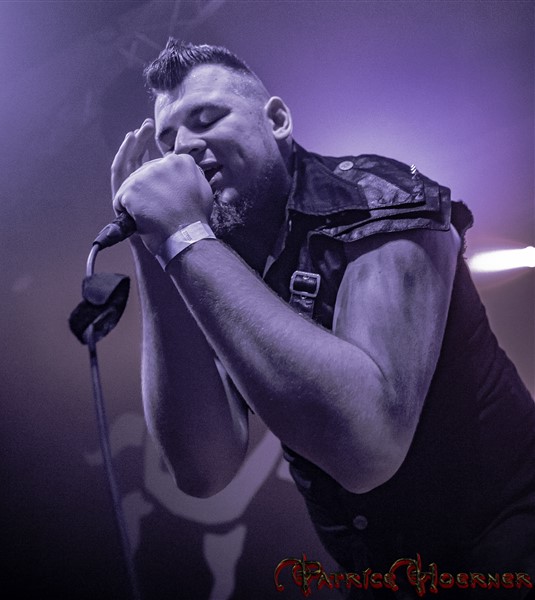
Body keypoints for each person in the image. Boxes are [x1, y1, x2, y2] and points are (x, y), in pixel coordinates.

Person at [111, 38, 535, 598]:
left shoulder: (380, 200)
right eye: (167, 141)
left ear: (277, 121)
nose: (182, 150)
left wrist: (185, 236)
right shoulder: (215, 259)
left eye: (207, 119)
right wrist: (154, 245)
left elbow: (367, 449)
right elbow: (203, 469)